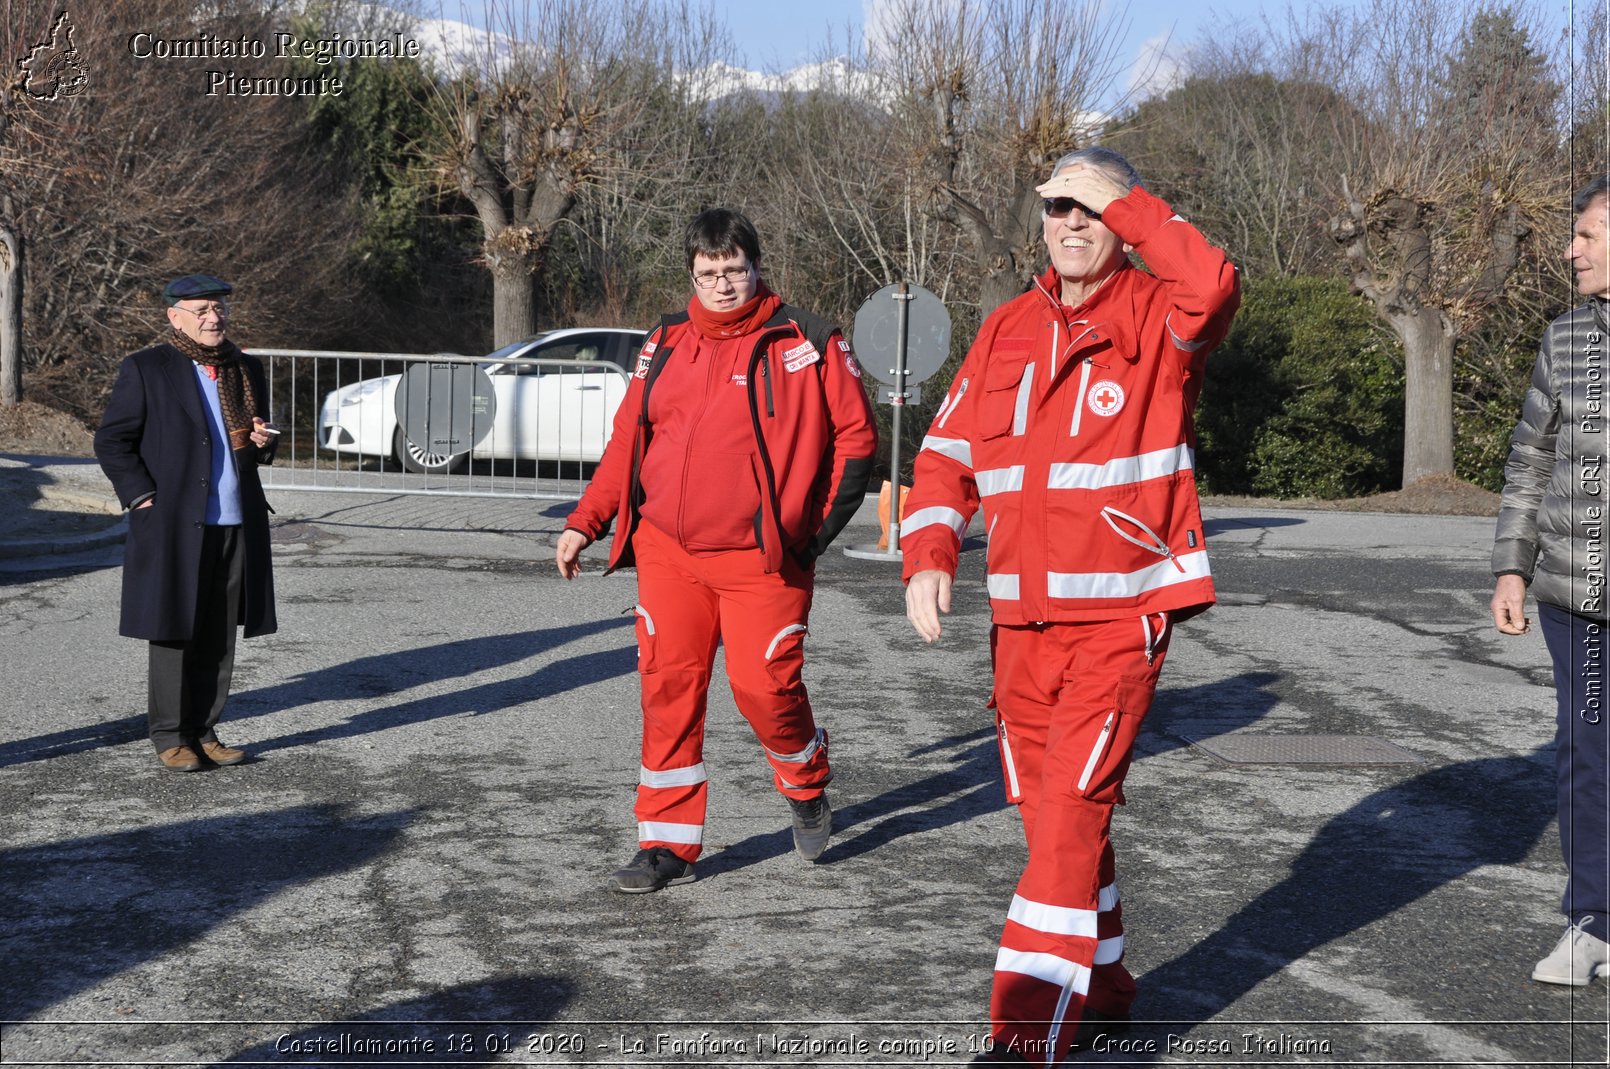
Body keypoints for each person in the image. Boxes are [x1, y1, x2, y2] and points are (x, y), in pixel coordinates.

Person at [900, 147, 1239, 1065]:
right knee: (1056, 823)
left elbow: (1211, 281)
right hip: (1019, 635)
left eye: (1090, 208)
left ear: (1119, 216)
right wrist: (929, 552)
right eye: (1058, 206)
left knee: (1067, 825)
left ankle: (1022, 1041)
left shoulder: (1160, 315)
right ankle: (1111, 986)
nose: (1073, 223)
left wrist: (1130, 203)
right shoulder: (1005, 326)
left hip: (1121, 623)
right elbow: (943, 459)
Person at [556, 208, 877, 893]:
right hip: (670, 555)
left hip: (764, 560)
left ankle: (806, 780)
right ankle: (665, 842)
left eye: (735, 269)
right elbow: (628, 441)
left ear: (757, 267)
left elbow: (857, 441)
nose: (723, 284)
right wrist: (587, 520)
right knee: (667, 689)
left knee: (765, 687)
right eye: (709, 272)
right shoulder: (664, 341)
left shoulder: (810, 338)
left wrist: (808, 532)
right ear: (691, 275)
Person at [1491, 174, 1610, 986]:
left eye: (1587, 236)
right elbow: (1531, 456)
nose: (1570, 249)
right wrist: (1512, 563)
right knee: (1588, 749)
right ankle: (1593, 921)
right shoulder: (1565, 337)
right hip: (1581, 599)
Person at [94, 273, 278, 772]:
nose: (214, 318)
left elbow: (252, 439)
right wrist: (140, 497)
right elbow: (112, 441)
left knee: (218, 633)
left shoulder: (245, 368)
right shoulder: (147, 369)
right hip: (173, 521)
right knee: (176, 628)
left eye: (218, 309)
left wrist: (266, 442)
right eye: (201, 310)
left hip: (235, 520)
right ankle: (171, 736)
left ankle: (205, 729)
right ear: (174, 316)